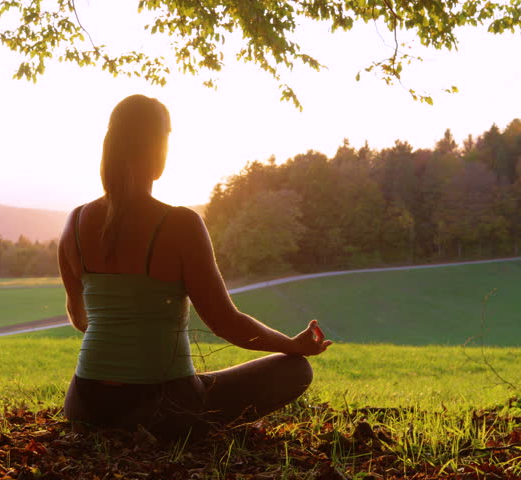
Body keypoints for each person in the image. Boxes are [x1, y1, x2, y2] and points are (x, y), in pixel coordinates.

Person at [60, 94, 332, 441]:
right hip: (162, 409)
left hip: (85, 406)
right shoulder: (179, 224)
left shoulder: (75, 221)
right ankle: (194, 421)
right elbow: (226, 323)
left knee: (198, 380)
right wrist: (293, 347)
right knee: (295, 370)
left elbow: (80, 317)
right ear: (158, 150)